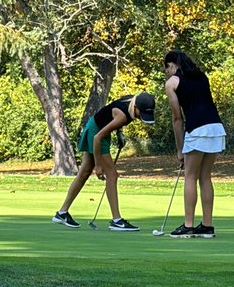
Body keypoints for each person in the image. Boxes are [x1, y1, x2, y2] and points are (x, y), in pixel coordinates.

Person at [53, 92, 156, 230]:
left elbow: (113, 116)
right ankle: (117, 220)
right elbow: (97, 138)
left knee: (84, 172)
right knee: (112, 175)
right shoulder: (123, 115)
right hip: (96, 132)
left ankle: (62, 213)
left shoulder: (131, 103)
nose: (141, 116)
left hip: (98, 130)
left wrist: (120, 134)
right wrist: (98, 165)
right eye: (141, 113)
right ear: (136, 107)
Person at [164, 50, 225, 238]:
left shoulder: (172, 83)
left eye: (166, 68)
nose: (166, 72)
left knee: (190, 176)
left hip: (197, 130)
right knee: (205, 177)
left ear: (172, 65)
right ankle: (207, 226)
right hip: (216, 128)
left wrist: (180, 150)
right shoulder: (202, 76)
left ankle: (188, 226)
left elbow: (177, 119)